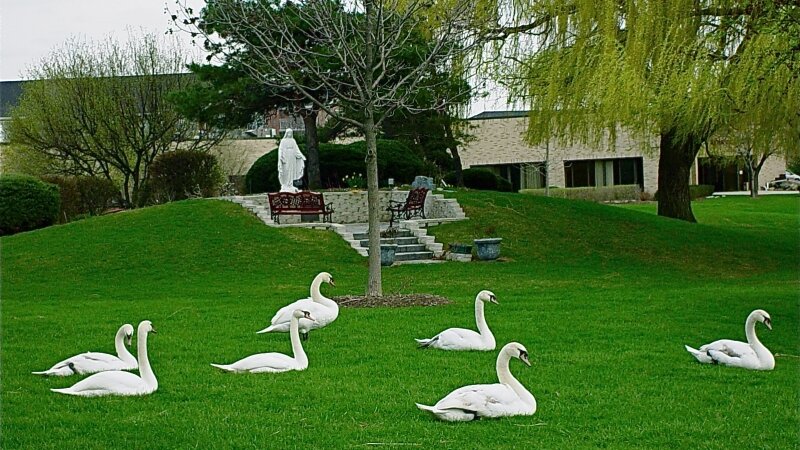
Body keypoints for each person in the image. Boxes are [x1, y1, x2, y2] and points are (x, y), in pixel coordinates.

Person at [277, 128, 306, 192]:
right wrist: (281, 157)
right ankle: (286, 184)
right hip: (286, 158)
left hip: (292, 158)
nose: (290, 134)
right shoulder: (283, 141)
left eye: (291, 133)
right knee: (286, 171)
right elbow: (280, 150)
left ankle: (291, 185)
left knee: (292, 171)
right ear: (286, 134)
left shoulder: (293, 141)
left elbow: (296, 150)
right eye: (289, 133)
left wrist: (301, 156)